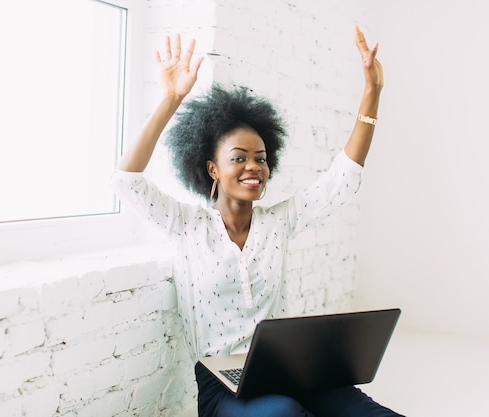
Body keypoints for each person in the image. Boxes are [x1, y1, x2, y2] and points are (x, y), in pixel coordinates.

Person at [111, 27, 403, 417]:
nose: (253, 166)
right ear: (212, 168)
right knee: (283, 414)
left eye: (261, 157)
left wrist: (373, 92)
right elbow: (126, 181)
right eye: (238, 157)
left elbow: (342, 178)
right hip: (223, 385)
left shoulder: (278, 223)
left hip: (290, 368)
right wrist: (172, 98)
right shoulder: (186, 226)